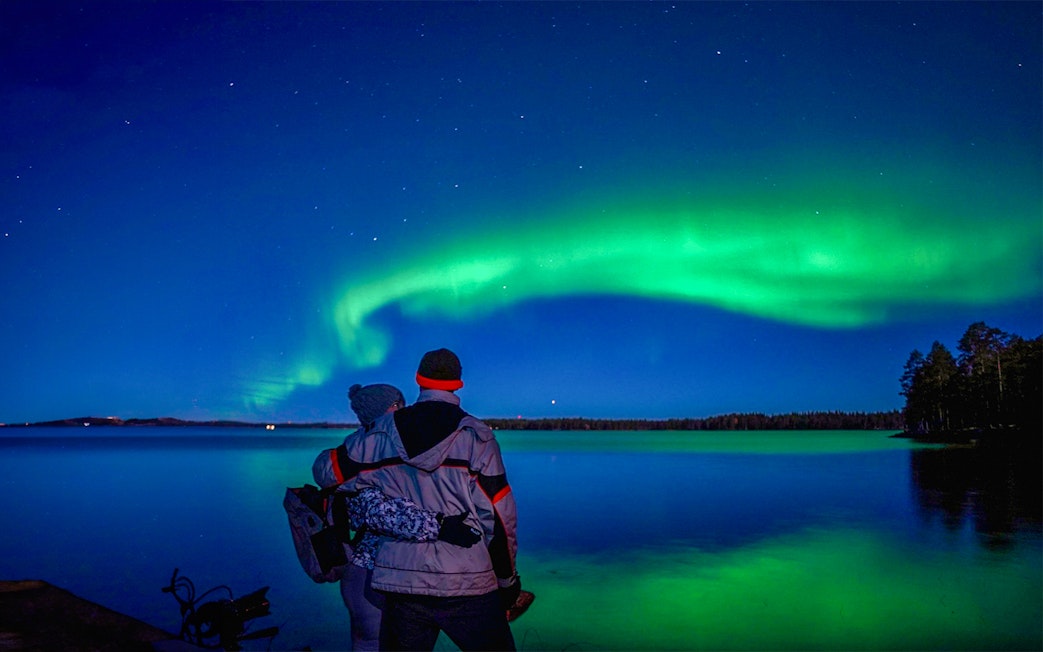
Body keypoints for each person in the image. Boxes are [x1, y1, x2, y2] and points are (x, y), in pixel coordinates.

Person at [334, 348, 521, 651]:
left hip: (401, 583)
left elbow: (327, 471)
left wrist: (365, 440)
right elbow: (499, 517)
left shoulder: (378, 437)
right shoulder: (477, 436)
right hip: (468, 580)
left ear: (418, 380)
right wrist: (506, 579)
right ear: (458, 383)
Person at [312, 383, 482, 651]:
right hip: (369, 577)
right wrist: (439, 525)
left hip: (381, 575)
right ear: (391, 408)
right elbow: (379, 512)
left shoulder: (371, 450)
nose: (406, 412)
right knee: (371, 644)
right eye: (400, 406)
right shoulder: (361, 455)